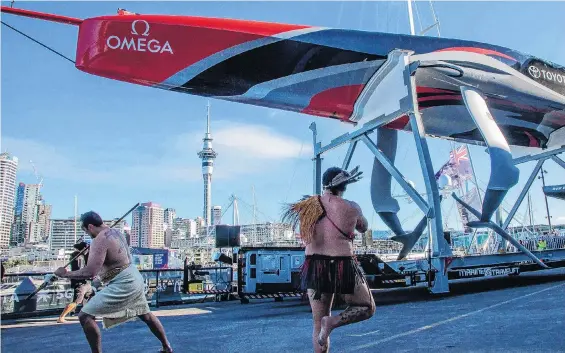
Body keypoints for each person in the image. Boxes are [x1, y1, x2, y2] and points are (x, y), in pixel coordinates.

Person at [282, 166, 376, 353]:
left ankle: (326, 324)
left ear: (324, 184)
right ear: (344, 186)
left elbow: (304, 232)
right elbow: (363, 227)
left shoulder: (306, 207)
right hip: (342, 264)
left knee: (318, 324)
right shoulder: (351, 207)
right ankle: (333, 322)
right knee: (367, 307)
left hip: (315, 265)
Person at [54, 211, 173, 353]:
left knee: (85, 316)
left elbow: (90, 272)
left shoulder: (99, 239)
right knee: (145, 314)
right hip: (133, 276)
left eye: (86, 231)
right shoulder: (117, 233)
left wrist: (66, 274)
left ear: (90, 226)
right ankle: (167, 347)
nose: (88, 234)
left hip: (124, 282)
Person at [57, 241, 96, 323]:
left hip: (86, 282)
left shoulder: (80, 256)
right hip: (80, 283)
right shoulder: (78, 257)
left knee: (91, 296)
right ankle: (61, 317)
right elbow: (80, 270)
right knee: (77, 301)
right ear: (84, 248)